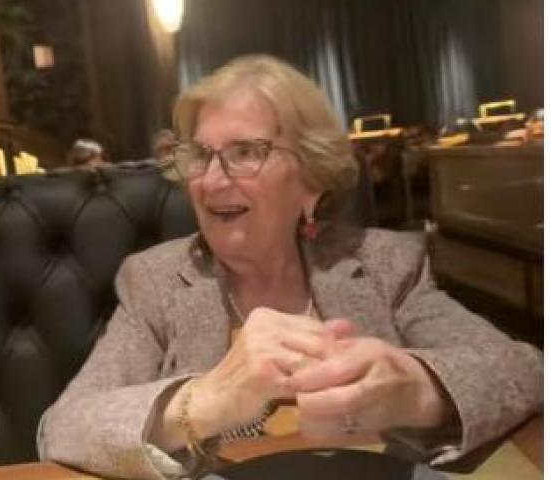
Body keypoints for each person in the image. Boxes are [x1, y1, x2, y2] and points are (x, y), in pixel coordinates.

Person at [38, 55, 542, 479]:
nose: (211, 181)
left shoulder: (385, 266)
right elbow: (64, 427)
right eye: (200, 156)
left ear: (310, 181)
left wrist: (418, 389)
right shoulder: (156, 281)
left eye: (245, 152)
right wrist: (206, 401)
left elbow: (525, 370)